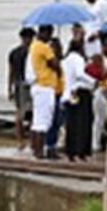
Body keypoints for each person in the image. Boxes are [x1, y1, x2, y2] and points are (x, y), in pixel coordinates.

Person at [27, 24, 60, 158]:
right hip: (44, 85)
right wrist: (55, 52)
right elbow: (55, 64)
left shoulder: (34, 46)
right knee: (43, 121)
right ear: (45, 33)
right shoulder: (43, 47)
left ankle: (35, 149)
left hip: (38, 86)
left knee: (37, 120)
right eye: (49, 34)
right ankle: (39, 152)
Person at [61, 40, 94, 161]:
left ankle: (70, 150)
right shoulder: (78, 59)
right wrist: (93, 81)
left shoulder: (65, 60)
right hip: (79, 92)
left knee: (71, 123)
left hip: (68, 93)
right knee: (82, 123)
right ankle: (81, 151)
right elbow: (80, 74)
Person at [90, 33, 107, 151]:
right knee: (99, 119)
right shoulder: (99, 58)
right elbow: (100, 75)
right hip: (102, 90)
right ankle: (95, 144)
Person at [8, 27, 35, 145]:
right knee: (33, 113)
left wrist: (9, 88)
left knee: (19, 113)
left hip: (17, 84)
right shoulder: (33, 52)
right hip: (29, 84)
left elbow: (10, 72)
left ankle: (20, 140)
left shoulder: (14, 52)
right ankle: (31, 138)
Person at [44, 37, 66, 158]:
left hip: (61, 93)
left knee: (58, 121)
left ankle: (53, 144)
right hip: (52, 92)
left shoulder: (62, 62)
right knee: (53, 121)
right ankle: (50, 146)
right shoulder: (50, 63)